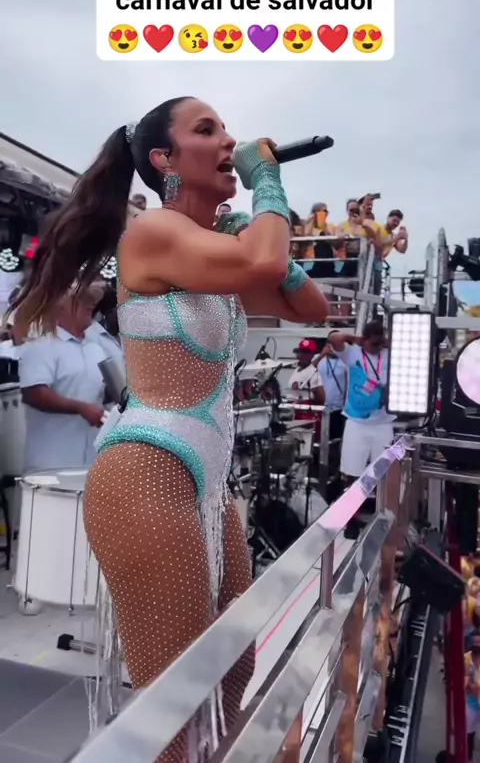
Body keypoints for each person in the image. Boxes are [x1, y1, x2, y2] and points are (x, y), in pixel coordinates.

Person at [10, 96, 329, 762]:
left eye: (228, 130)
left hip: (206, 486)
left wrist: (245, 225)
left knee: (235, 667)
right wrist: (267, 182)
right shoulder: (153, 234)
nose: (230, 141)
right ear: (164, 160)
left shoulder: (215, 252)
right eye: (207, 130)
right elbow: (266, 266)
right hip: (148, 473)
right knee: (174, 705)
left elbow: (311, 306)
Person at [19, 287, 106, 472]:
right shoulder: (41, 346)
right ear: (60, 307)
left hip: (91, 461)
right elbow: (34, 394)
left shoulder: (96, 348)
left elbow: (102, 392)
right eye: (81, 299)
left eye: (92, 300)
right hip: (51, 463)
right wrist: (80, 408)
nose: (90, 304)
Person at [330, 320, 394, 480]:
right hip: (356, 422)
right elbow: (334, 338)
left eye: (381, 343)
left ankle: (378, 498)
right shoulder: (352, 353)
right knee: (351, 472)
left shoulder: (389, 354)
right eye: (374, 343)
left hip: (383, 422)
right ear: (364, 339)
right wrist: (355, 338)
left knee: (383, 474)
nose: (378, 347)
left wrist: (387, 342)